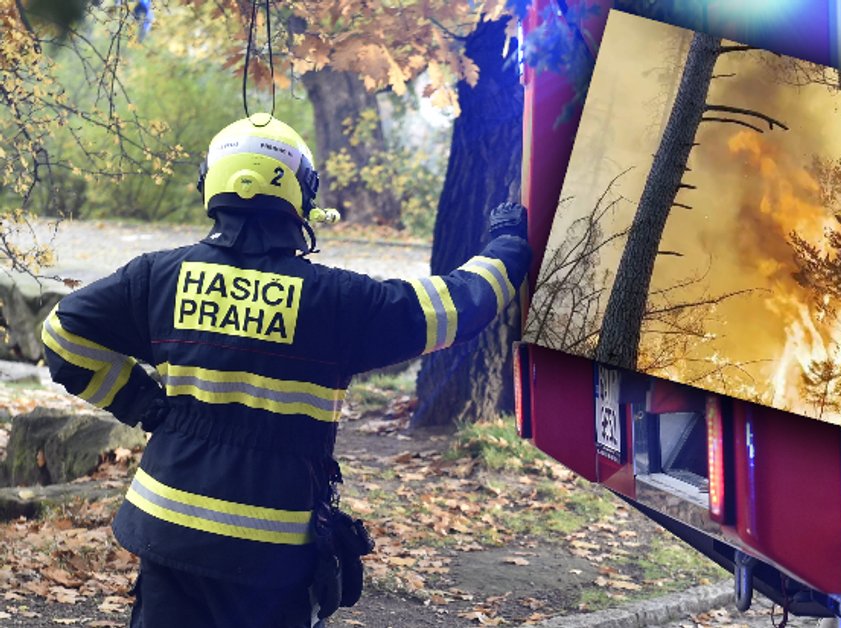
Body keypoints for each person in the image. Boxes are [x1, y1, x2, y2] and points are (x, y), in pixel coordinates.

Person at [41, 112, 531, 627]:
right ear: (303, 193)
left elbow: (62, 333)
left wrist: (142, 403)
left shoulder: (156, 277)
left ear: (211, 184)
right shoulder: (335, 299)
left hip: (168, 527)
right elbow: (454, 308)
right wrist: (506, 247)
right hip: (271, 547)